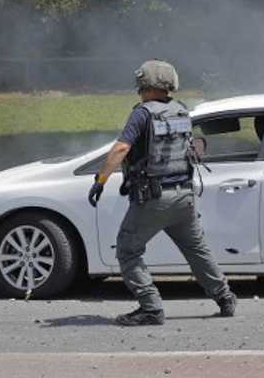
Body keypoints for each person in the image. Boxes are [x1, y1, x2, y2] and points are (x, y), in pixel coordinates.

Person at [88, 60, 238, 326]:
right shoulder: (181, 110)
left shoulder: (142, 114)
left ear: (144, 85)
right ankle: (225, 297)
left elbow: (121, 149)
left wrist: (101, 179)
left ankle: (151, 307)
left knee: (127, 250)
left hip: (153, 199)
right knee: (196, 249)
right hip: (184, 197)